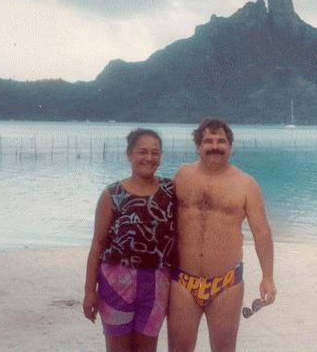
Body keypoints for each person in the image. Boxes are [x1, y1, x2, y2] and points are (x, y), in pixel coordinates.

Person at [168, 118, 276, 352]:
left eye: (221, 141)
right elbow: (163, 220)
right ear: (198, 147)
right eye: (208, 141)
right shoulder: (182, 175)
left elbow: (262, 232)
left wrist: (268, 276)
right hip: (183, 282)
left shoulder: (246, 184)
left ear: (230, 147)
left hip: (226, 284)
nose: (214, 146)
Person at [83, 128, 177, 352]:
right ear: (129, 155)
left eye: (155, 152)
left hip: (157, 283)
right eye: (142, 151)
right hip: (116, 281)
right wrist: (89, 290)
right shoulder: (112, 194)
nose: (149, 158)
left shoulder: (171, 191)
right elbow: (97, 245)